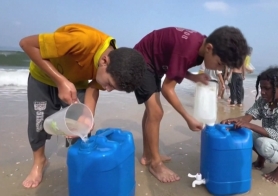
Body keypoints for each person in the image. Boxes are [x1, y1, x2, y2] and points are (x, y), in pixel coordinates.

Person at [19, 23, 147, 188]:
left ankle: (77, 164)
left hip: (76, 81)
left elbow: (93, 86)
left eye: (113, 88)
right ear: (104, 61)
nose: (107, 89)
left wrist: (88, 118)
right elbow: (26, 44)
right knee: (37, 125)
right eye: (109, 84)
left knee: (81, 126)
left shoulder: (114, 66)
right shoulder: (81, 41)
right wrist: (60, 81)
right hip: (42, 76)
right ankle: (39, 161)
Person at [133, 26, 249, 183]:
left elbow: (177, 67)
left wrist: (194, 78)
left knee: (151, 111)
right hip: (141, 61)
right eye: (220, 63)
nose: (219, 69)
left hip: (154, 63)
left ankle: (148, 154)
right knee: (156, 112)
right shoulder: (188, 49)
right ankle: (155, 163)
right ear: (209, 48)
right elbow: (168, 89)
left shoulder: (200, 47)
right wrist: (188, 117)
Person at [221, 67, 278, 183]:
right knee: (245, 133)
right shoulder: (265, 100)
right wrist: (235, 120)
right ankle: (261, 160)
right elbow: (249, 116)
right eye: (261, 88)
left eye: (267, 88)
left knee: (262, 143)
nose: (263, 92)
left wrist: (249, 125)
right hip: (271, 139)